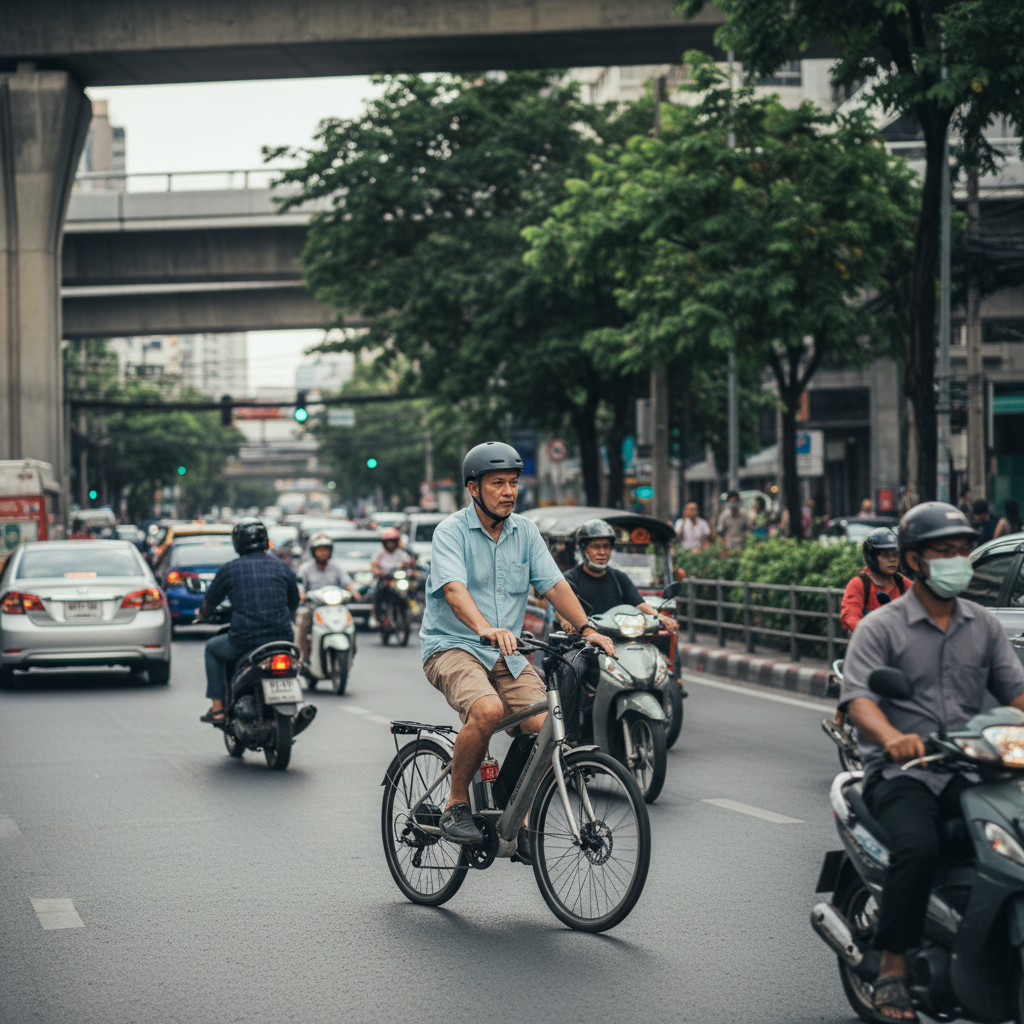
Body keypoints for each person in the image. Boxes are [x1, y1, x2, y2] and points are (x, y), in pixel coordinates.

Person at [839, 502, 1024, 1022]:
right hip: (905, 772)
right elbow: (859, 701)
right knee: (918, 848)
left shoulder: (983, 625)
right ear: (916, 560)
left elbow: (1016, 691)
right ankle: (895, 967)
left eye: (963, 551)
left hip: (974, 768)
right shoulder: (882, 627)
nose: (958, 561)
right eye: (945, 552)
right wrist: (895, 738)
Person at [419, 441, 617, 846]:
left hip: (506, 655)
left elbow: (555, 585)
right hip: (452, 646)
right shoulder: (450, 532)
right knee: (488, 709)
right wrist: (485, 628)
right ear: (473, 488)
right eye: (497, 483)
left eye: (512, 483)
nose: (508, 491)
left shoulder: (525, 532)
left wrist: (587, 628)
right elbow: (455, 591)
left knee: (547, 728)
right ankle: (456, 804)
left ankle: (519, 818)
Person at [197, 517, 300, 725]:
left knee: (212, 648)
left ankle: (217, 709)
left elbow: (210, 601)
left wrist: (203, 616)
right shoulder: (283, 567)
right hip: (282, 639)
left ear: (237, 543)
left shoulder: (229, 569)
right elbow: (294, 601)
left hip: (244, 641)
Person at [559, 519, 679, 632]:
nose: (602, 552)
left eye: (606, 546)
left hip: (616, 637)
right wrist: (565, 621)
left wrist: (659, 616)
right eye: (595, 547)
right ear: (584, 550)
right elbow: (560, 606)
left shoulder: (619, 578)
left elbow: (639, 604)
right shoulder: (571, 578)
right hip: (583, 640)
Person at [294, 532, 359, 662]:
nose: (323, 553)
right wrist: (302, 594)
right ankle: (300, 656)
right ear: (314, 552)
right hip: (314, 607)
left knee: (350, 624)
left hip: (335, 608)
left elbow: (347, 583)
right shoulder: (306, 568)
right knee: (302, 624)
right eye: (320, 550)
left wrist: (354, 592)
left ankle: (351, 649)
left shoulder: (336, 567)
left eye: (325, 550)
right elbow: (299, 584)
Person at [839, 527, 907, 634]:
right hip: (867, 646)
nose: (892, 559)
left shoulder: (903, 583)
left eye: (895, 555)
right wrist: (874, 634)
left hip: (898, 647)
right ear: (873, 558)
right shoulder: (859, 584)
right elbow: (850, 617)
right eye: (886, 555)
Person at [371, 527, 415, 626]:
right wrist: (378, 572)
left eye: (392, 541)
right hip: (384, 580)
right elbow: (374, 566)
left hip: (398, 580)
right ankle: (376, 616)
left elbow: (409, 565)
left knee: (411, 589)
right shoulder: (379, 554)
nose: (390, 544)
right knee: (377, 594)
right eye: (388, 542)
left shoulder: (402, 554)